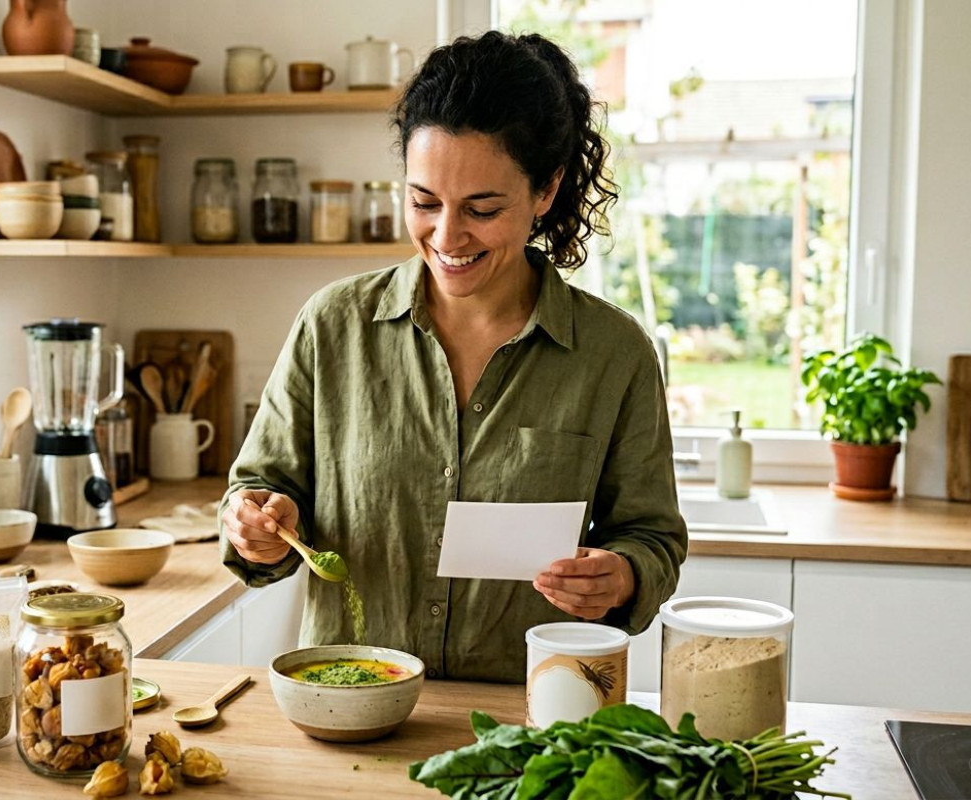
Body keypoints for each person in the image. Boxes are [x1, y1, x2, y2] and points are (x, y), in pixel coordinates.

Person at [219, 31, 687, 683]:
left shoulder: (614, 353)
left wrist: (624, 576)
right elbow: (257, 490)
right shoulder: (332, 326)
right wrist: (257, 526)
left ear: (545, 191)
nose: (446, 236)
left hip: (533, 709)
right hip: (350, 701)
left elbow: (652, 537)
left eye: (482, 209)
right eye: (423, 202)